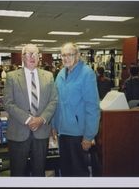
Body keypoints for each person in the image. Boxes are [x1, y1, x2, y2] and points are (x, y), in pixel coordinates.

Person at [3, 44, 58, 176]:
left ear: (39, 57)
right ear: (22, 57)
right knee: (17, 172)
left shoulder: (49, 76)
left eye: (35, 54)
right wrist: (28, 119)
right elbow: (8, 103)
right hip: (18, 131)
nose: (32, 57)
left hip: (41, 132)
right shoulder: (11, 76)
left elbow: (54, 100)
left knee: (39, 171)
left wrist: (41, 119)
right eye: (28, 54)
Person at [51, 42, 100, 177]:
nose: (66, 58)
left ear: (77, 55)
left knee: (79, 172)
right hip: (63, 132)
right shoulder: (61, 73)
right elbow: (56, 102)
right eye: (63, 55)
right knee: (65, 170)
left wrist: (89, 136)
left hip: (78, 133)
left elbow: (93, 107)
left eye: (70, 55)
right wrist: (54, 125)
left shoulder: (87, 73)